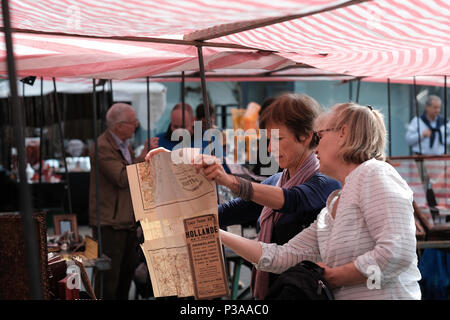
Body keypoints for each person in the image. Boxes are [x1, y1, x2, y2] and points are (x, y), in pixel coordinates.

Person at [218, 103, 422, 300]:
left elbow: (397, 253)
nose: (315, 146)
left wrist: (333, 277)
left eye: (319, 136)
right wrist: (215, 233)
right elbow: (281, 256)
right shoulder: (334, 203)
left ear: (342, 133)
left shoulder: (374, 172)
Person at [148, 93, 341, 299]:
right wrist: (176, 163)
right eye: (268, 140)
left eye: (278, 139)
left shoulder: (327, 181)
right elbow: (225, 212)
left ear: (306, 136)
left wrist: (230, 181)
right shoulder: (276, 181)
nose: (270, 148)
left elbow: (292, 199)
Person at [88, 102, 151, 300]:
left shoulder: (123, 145)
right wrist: (142, 158)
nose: (137, 125)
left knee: (125, 278)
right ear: (119, 126)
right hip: (110, 224)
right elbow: (123, 178)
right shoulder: (102, 147)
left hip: (126, 222)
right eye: (133, 122)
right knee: (109, 282)